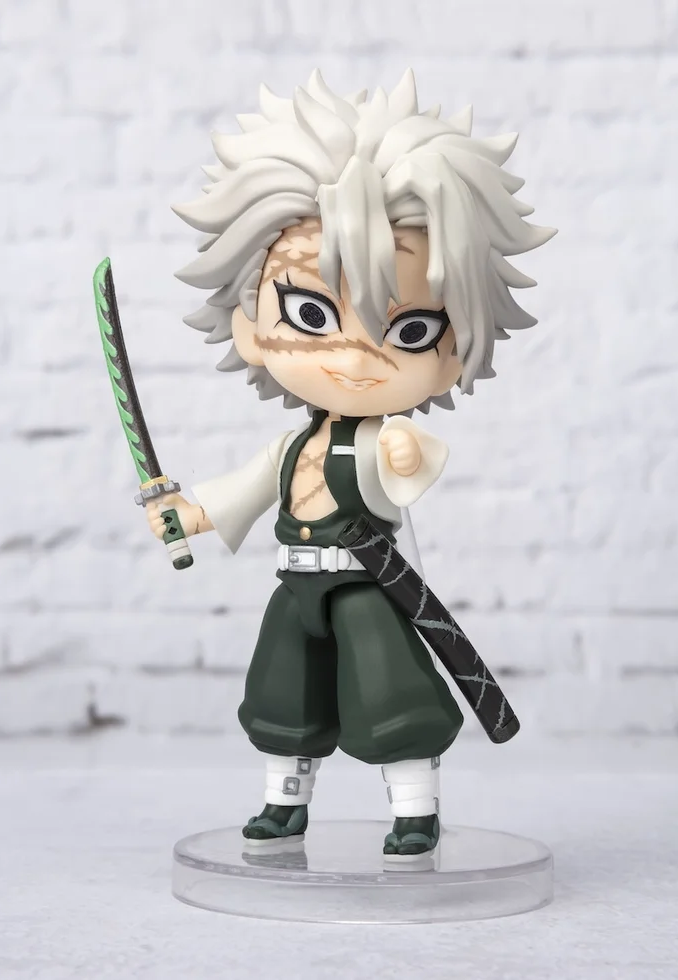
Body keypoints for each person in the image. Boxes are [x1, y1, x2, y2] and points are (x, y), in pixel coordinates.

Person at [145, 69, 554, 857]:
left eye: (411, 331)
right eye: (312, 314)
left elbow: (404, 467)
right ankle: (283, 805)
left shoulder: (376, 441)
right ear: (250, 327)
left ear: (455, 347)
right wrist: (187, 514)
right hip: (297, 585)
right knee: (282, 697)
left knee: (392, 699)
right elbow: (243, 493)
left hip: (368, 589)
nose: (357, 360)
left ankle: (415, 810)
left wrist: (399, 454)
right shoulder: (291, 447)